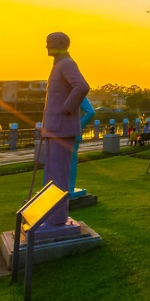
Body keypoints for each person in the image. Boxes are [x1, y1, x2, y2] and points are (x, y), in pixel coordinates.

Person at [40, 32, 90, 228]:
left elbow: (82, 86)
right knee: (51, 174)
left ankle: (57, 219)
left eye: (49, 43)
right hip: (53, 129)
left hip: (62, 128)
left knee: (59, 175)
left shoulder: (67, 64)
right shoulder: (58, 65)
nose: (46, 46)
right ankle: (49, 215)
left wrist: (66, 110)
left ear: (60, 45)